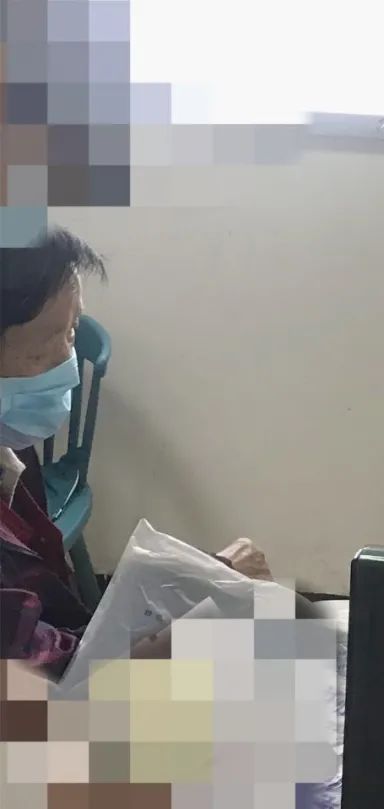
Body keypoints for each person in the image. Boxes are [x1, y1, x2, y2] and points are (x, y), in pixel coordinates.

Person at [0, 227, 274, 678]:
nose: (67, 368)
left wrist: (202, 584)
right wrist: (214, 595)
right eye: (40, 354)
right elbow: (59, 687)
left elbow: (53, 632)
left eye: (71, 333)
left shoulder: (12, 451)